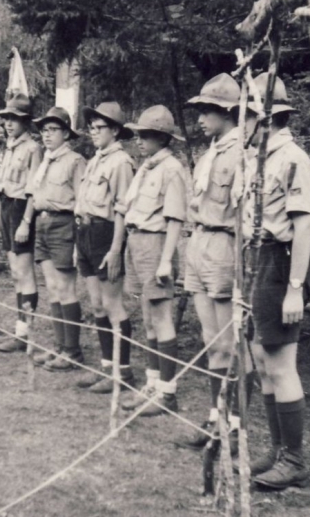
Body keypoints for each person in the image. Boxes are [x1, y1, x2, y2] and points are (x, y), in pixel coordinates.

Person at [242, 73, 310, 489]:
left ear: (265, 119)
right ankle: (277, 450)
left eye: (247, 118)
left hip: (278, 263)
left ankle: (295, 459)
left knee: (282, 364)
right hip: (256, 260)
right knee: (262, 359)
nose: (242, 127)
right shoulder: (261, 158)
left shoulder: (293, 159)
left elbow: (303, 226)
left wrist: (294, 287)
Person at [175, 73, 254, 451]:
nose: (201, 119)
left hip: (225, 244)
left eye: (208, 111)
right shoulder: (211, 152)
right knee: (211, 340)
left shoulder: (243, 152)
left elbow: (245, 213)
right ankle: (214, 418)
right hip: (200, 241)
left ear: (227, 112)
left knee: (231, 341)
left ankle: (234, 426)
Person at [118, 105, 188, 417]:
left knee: (162, 318)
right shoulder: (147, 167)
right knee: (147, 317)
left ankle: (167, 393)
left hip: (156, 244)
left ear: (163, 138)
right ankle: (152, 384)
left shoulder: (171, 169)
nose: (139, 140)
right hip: (137, 242)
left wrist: (164, 261)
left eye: (146, 135)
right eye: (137, 135)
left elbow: (175, 219)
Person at [73, 102, 137, 393]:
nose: (94, 133)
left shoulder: (121, 162)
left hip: (106, 234)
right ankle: (106, 368)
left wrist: (115, 249)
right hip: (85, 231)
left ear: (115, 130)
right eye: (91, 128)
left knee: (112, 304)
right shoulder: (96, 158)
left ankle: (123, 373)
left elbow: (123, 209)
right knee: (97, 304)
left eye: (100, 128)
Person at [26, 107, 86, 371]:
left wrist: (78, 238)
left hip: (64, 224)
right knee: (52, 286)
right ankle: (60, 346)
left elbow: (82, 202)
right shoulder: (45, 160)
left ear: (65, 133)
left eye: (52, 130)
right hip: (43, 223)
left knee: (65, 287)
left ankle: (73, 351)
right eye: (43, 130)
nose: (46, 135)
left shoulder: (75, 161)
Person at [0, 93, 42, 353]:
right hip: (7, 207)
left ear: (26, 121)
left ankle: (26, 333)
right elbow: (2, 187)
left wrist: (25, 222)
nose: (9, 123)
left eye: (15, 119)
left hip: (23, 210)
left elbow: (33, 190)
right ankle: (20, 330)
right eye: (6, 118)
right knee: (14, 272)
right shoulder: (8, 146)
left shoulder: (33, 148)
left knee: (24, 272)